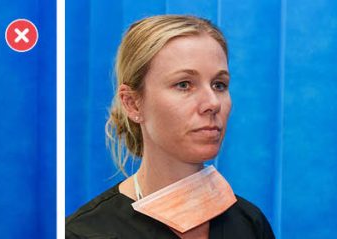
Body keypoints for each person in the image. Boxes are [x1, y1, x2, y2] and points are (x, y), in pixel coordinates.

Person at [65, 15, 275, 238]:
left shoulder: (250, 223)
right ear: (133, 103)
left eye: (219, 84)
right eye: (184, 85)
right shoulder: (84, 233)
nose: (213, 103)